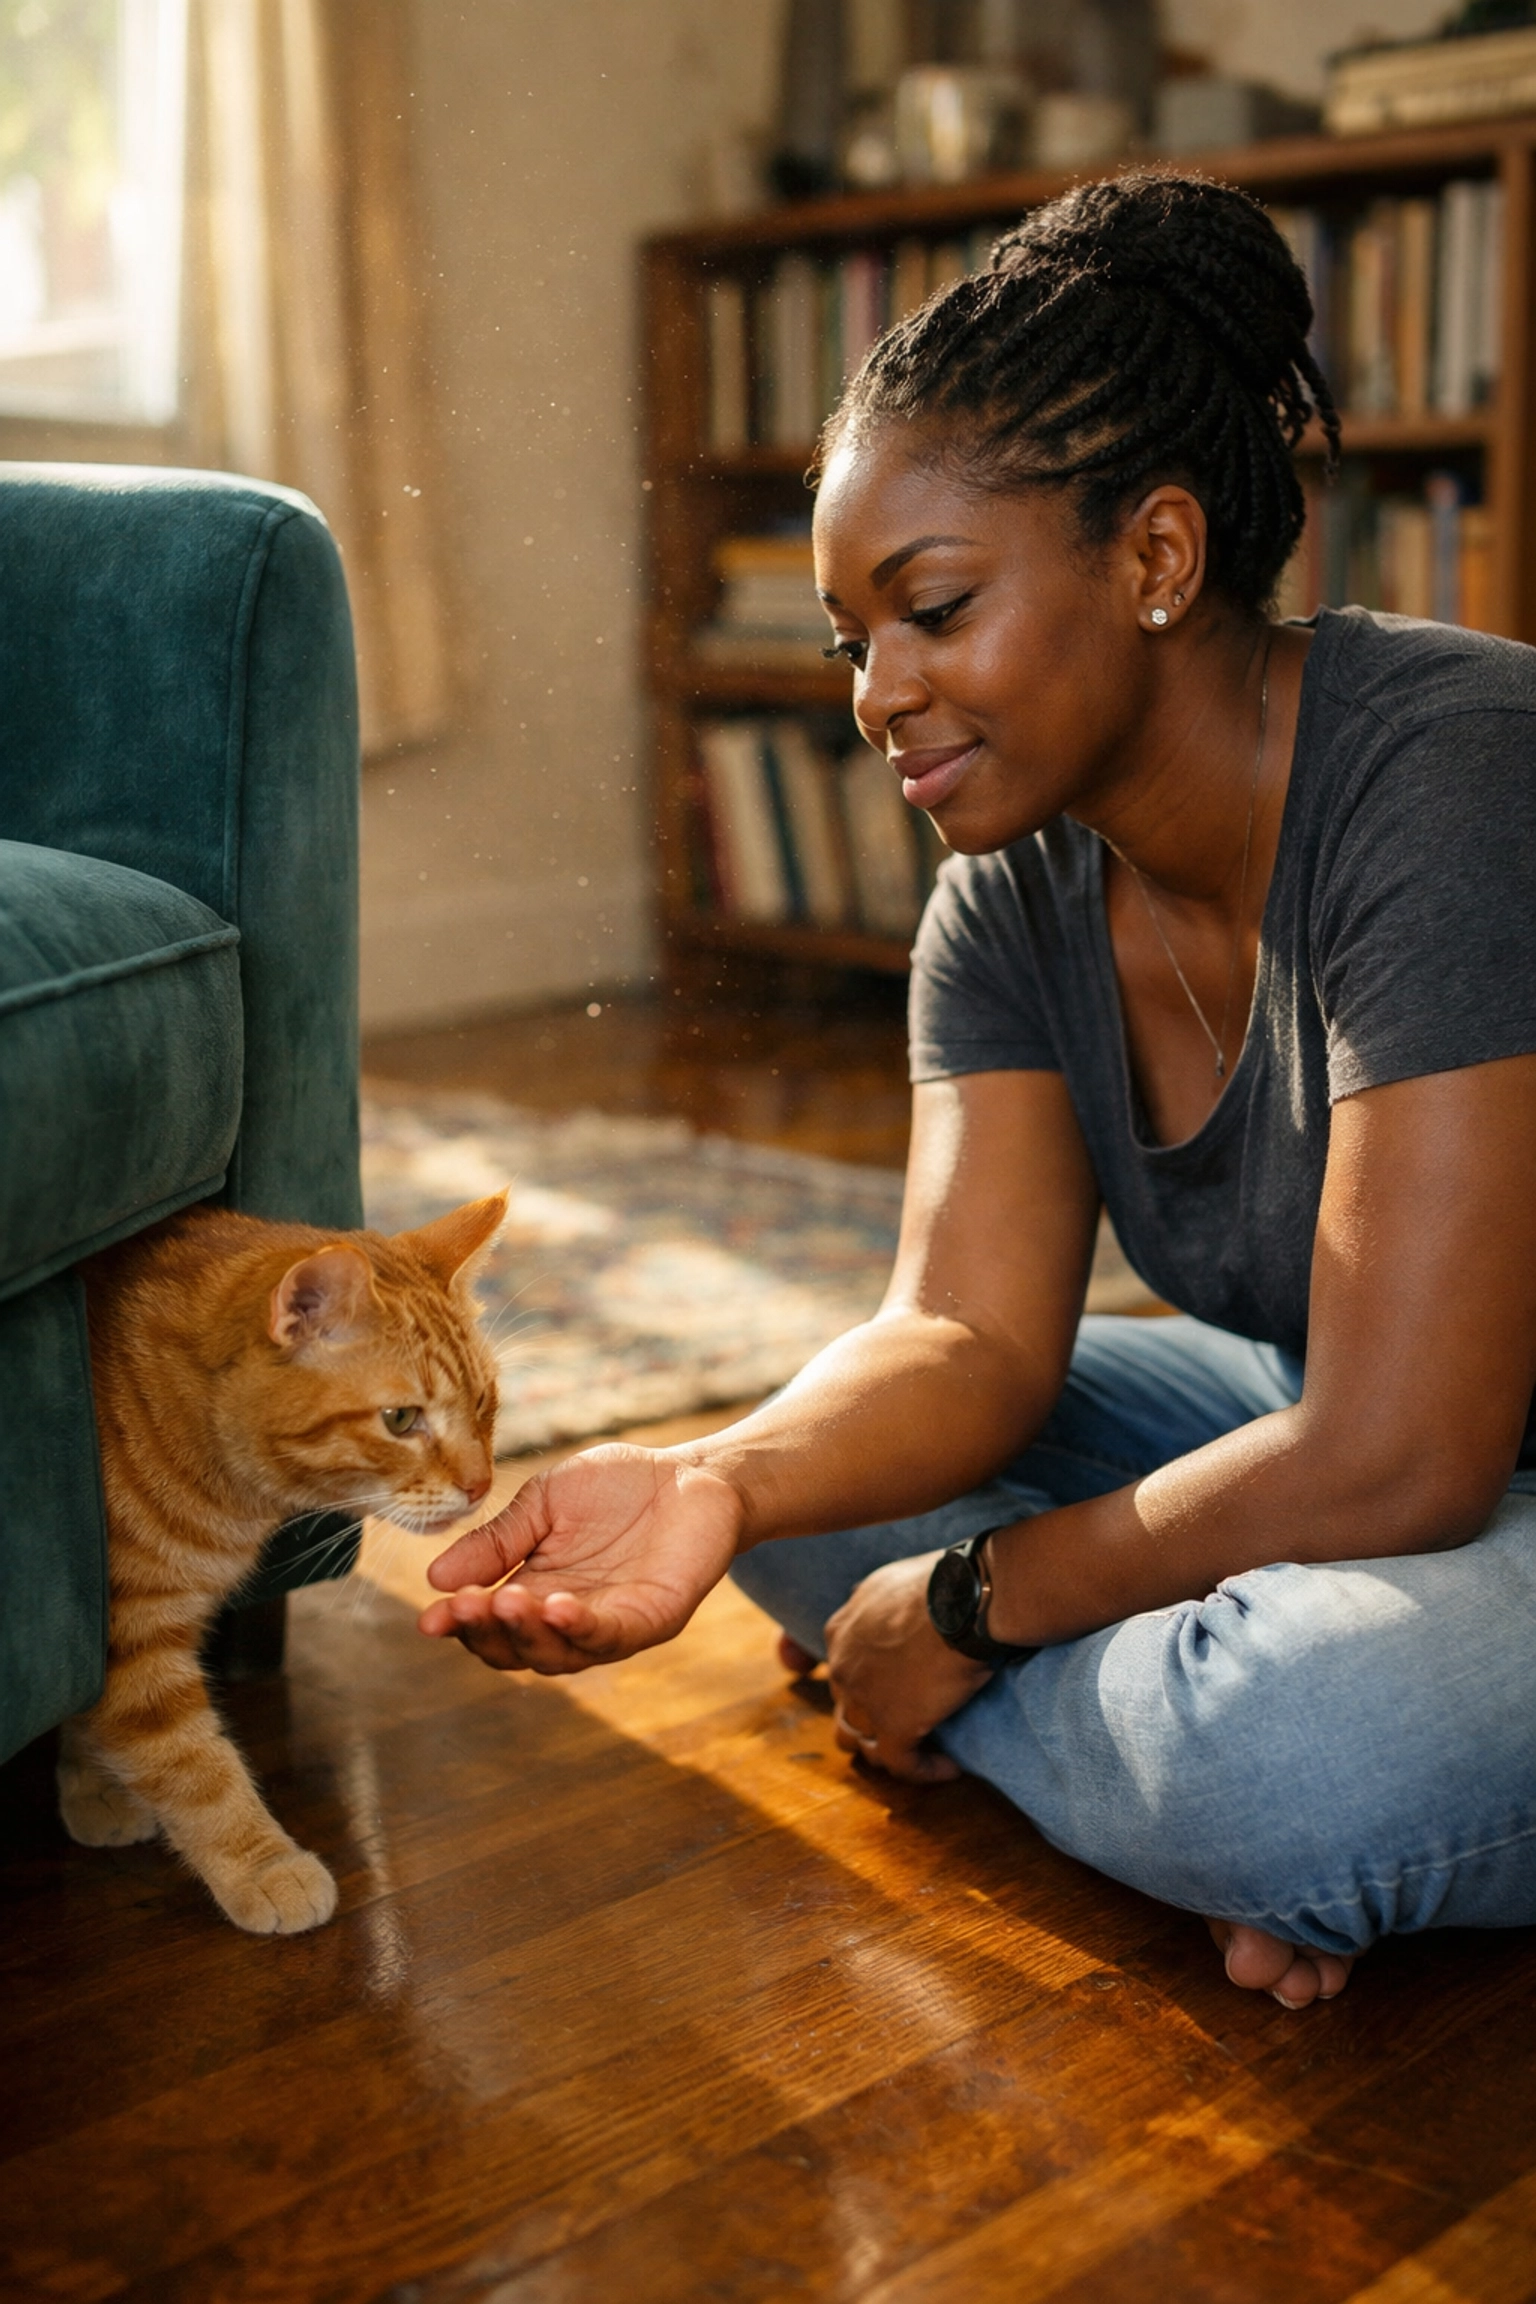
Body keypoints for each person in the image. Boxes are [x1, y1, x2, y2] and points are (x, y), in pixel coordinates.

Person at [421, 172, 1536, 2010]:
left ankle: (1240, 1807)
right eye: (857, 640)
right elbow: (958, 1334)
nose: (878, 694)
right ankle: (1199, 1811)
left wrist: (973, 1607)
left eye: (931, 608)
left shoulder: (1453, 779)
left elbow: (1410, 1453)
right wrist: (709, 1479)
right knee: (793, 1513)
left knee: (1285, 1746)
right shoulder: (1010, 892)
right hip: (1341, 1412)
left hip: (1415, 1445)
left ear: (1158, 558)